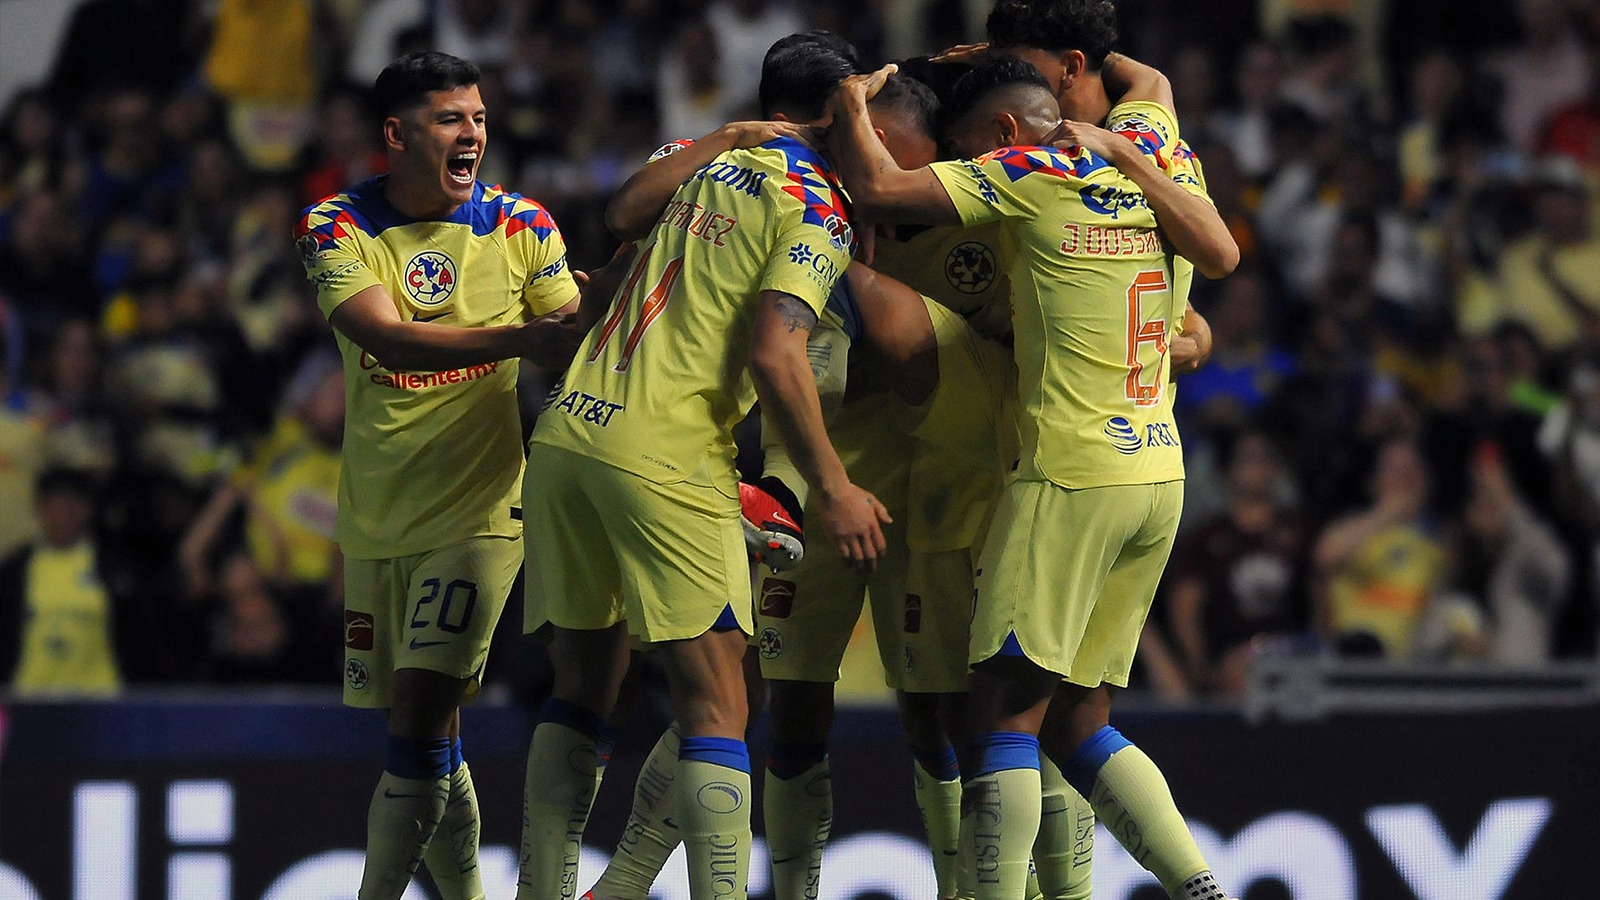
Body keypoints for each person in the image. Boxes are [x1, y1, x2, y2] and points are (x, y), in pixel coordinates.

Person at [826, 49, 1237, 900]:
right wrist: (1184, 343)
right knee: (1078, 721)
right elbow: (1200, 292)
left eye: (966, 146)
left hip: (1066, 474)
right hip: (1156, 472)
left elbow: (876, 189)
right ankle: (1196, 883)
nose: (956, 166)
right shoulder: (1152, 159)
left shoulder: (1026, 169)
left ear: (1007, 131)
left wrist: (851, 103)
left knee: (1002, 718)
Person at [517, 35, 889, 900]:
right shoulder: (816, 199)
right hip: (667, 450)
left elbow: (619, 215)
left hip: (570, 430)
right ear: (840, 112)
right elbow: (776, 352)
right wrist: (833, 487)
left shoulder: (704, 160)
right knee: (721, 706)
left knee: (582, 690)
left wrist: (724, 136)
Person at [294, 51, 582, 900]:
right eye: (452, 119)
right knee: (427, 733)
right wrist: (521, 339)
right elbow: (391, 339)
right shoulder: (335, 226)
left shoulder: (521, 224)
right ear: (397, 134)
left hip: (481, 511)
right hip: (377, 515)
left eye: (480, 119)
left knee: (420, 707)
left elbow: (570, 332)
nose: (473, 136)